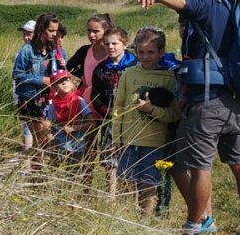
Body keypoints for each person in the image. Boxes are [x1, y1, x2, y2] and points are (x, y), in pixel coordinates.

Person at [137, 0, 240, 235]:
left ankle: (196, 226)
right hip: (236, 100)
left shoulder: (205, 0)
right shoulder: (229, 1)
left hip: (207, 103)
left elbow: (189, 5)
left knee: (195, 166)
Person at [112, 26, 180, 215]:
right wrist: (116, 137)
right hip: (128, 140)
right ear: (135, 51)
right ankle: (124, 219)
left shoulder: (168, 78)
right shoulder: (129, 74)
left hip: (154, 142)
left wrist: (152, 110)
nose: (146, 56)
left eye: (151, 52)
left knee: (149, 184)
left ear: (161, 52)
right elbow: (118, 108)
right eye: (141, 52)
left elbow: (174, 114)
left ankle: (145, 218)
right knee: (124, 181)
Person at [91, 27, 137, 196]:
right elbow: (95, 96)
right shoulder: (101, 69)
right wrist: (106, 111)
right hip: (109, 119)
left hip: (132, 119)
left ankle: (130, 195)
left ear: (124, 45)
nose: (110, 47)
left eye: (115, 43)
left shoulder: (136, 65)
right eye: (107, 44)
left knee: (130, 156)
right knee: (110, 159)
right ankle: (111, 196)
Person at [67, 14, 114, 178]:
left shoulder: (114, 52)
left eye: (96, 31)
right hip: (87, 106)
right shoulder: (84, 51)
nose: (91, 35)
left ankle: (112, 191)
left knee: (110, 149)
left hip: (109, 106)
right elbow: (70, 70)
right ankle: (85, 186)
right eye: (89, 31)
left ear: (106, 31)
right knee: (88, 147)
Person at [12, 12, 60, 168]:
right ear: (41, 29)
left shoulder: (52, 49)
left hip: (47, 98)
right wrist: (41, 80)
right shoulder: (27, 50)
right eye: (51, 30)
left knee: (46, 137)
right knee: (42, 138)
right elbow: (17, 74)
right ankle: (37, 173)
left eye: (55, 31)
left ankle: (36, 172)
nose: (54, 34)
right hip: (29, 98)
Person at [45, 69, 94, 168]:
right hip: (58, 146)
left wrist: (73, 128)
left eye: (66, 80)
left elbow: (92, 123)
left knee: (72, 175)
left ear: (71, 84)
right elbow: (49, 124)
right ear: (54, 88)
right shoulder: (52, 105)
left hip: (76, 147)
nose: (64, 83)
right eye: (59, 82)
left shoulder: (79, 101)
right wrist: (50, 140)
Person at [13, 20, 36, 150]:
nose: (26, 37)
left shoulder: (39, 52)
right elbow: (16, 75)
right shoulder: (21, 51)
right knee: (26, 124)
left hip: (33, 94)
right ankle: (28, 152)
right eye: (24, 34)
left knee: (31, 125)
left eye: (29, 34)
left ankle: (28, 154)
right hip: (21, 93)